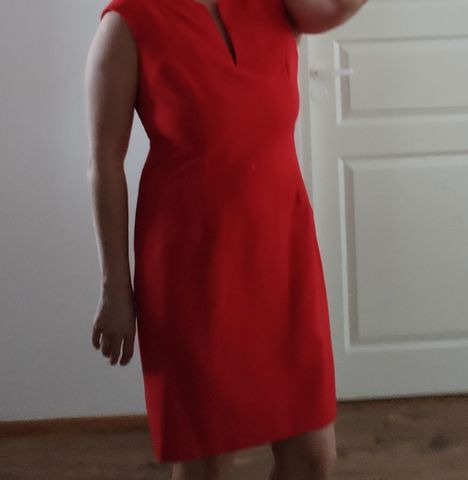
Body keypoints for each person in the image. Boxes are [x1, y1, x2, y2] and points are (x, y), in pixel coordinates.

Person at [84, 0, 367, 479]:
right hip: (193, 270)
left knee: (313, 458)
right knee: (206, 457)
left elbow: (337, 6)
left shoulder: (277, 4)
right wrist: (116, 289)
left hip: (283, 258)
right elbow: (105, 164)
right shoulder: (127, 23)